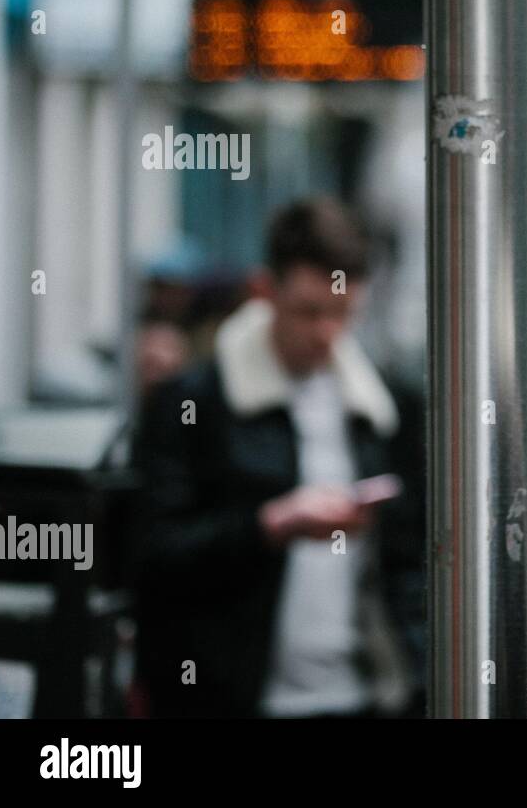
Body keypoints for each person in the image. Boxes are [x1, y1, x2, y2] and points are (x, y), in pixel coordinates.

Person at [132, 198, 426, 718]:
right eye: (309, 311)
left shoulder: (382, 407)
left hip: (365, 696)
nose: (325, 333)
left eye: (342, 314)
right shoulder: (192, 403)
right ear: (263, 291)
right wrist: (268, 525)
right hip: (231, 698)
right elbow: (151, 554)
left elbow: (409, 563)